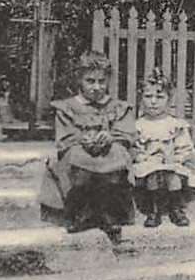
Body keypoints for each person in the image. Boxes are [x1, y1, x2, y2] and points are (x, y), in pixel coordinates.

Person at [37, 50, 136, 241]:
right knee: (77, 160)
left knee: (117, 157)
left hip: (108, 149)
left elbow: (126, 133)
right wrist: (83, 138)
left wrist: (110, 137)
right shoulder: (68, 107)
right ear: (79, 81)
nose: (97, 87)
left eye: (102, 81)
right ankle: (81, 214)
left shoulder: (117, 107)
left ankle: (109, 215)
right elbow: (65, 138)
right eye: (90, 81)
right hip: (80, 149)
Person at [131, 71, 195, 227]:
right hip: (149, 163)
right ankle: (154, 210)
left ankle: (176, 207)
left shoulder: (175, 124)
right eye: (148, 97)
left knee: (173, 175)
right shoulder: (138, 125)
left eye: (160, 97)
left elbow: (186, 148)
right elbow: (134, 148)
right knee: (152, 175)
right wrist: (142, 156)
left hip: (170, 161)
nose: (153, 102)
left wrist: (176, 158)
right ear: (141, 99)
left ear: (168, 100)